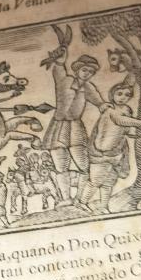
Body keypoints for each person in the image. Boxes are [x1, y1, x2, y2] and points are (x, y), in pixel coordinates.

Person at [40, 40, 104, 206]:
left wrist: (104, 106)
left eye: (91, 72)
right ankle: (66, 199)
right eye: (84, 70)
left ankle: (80, 198)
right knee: (60, 166)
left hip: (76, 127)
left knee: (83, 165)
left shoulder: (88, 87)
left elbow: (99, 102)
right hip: (58, 126)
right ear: (77, 70)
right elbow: (58, 71)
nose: (87, 74)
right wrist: (60, 61)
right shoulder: (66, 81)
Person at [77, 82, 141, 212]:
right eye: (119, 94)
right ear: (112, 94)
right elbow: (121, 120)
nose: (123, 97)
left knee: (109, 183)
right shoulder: (110, 110)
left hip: (116, 154)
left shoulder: (126, 110)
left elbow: (126, 129)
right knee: (95, 181)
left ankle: (103, 206)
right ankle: (81, 202)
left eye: (127, 95)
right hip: (101, 154)